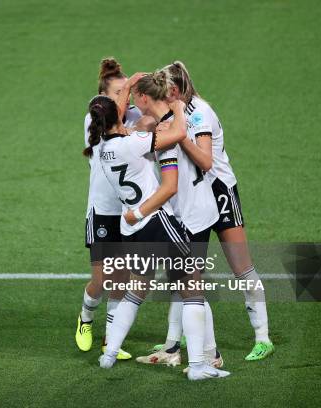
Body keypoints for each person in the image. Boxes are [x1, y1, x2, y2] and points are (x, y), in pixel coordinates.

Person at [93, 72, 229, 380]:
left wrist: (127, 89)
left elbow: (119, 115)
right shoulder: (142, 139)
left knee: (135, 290)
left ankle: (109, 354)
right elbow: (169, 184)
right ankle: (198, 366)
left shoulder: (107, 145)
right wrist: (178, 107)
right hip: (154, 222)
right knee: (192, 289)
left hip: (132, 230)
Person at [156, 61, 274, 361]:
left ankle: (263, 337)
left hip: (220, 193)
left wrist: (180, 136)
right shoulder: (178, 111)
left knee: (241, 266)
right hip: (192, 198)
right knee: (185, 272)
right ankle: (174, 342)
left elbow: (206, 161)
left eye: (162, 90)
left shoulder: (200, 113)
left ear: (173, 90)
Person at [75, 57, 151, 360]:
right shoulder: (95, 117)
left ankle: (111, 339)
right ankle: (85, 317)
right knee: (103, 277)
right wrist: (131, 83)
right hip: (103, 208)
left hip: (129, 212)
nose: (126, 96)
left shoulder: (133, 115)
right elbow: (117, 116)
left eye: (127, 91)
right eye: (118, 92)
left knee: (122, 277)